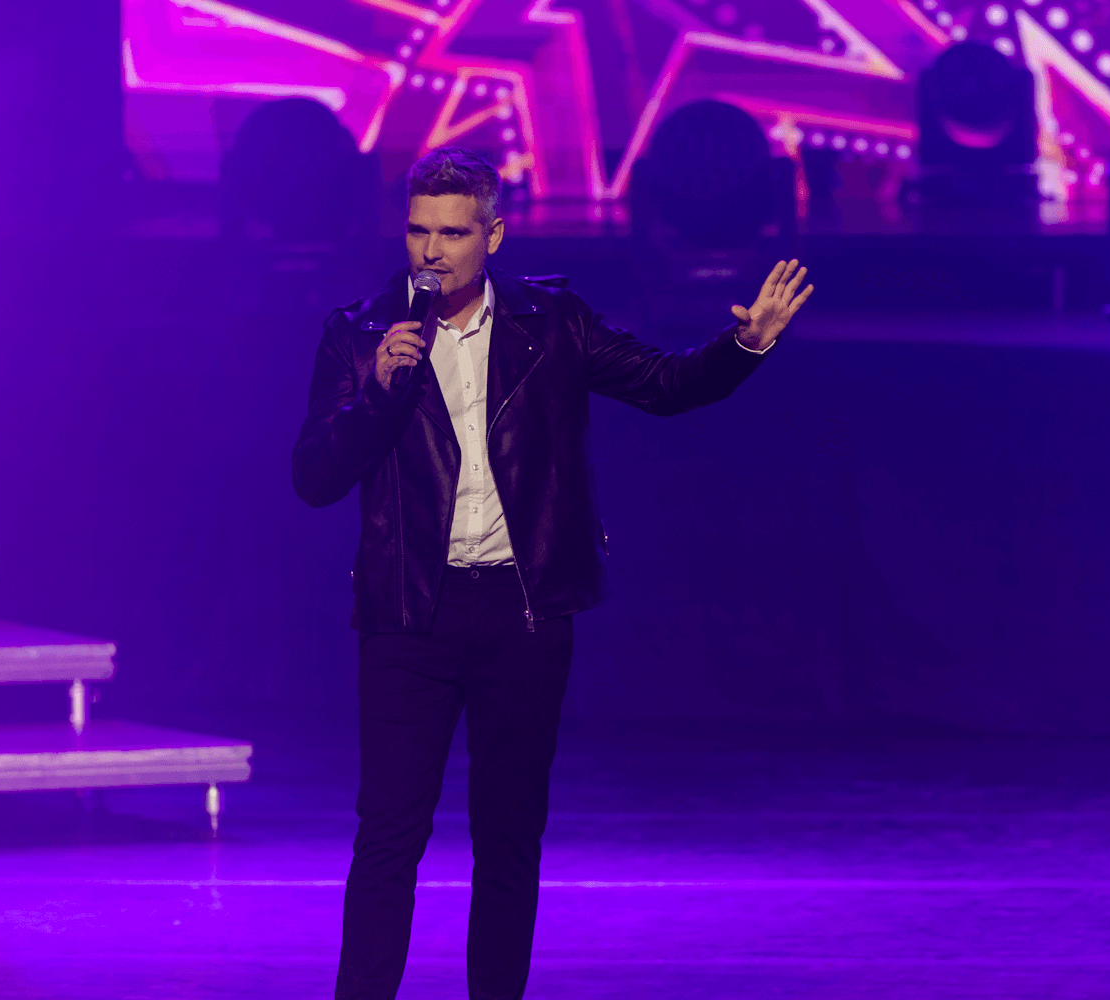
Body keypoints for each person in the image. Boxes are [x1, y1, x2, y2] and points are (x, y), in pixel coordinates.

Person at [293, 145, 813, 1000]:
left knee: (508, 839)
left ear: (492, 235)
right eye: (419, 231)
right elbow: (313, 478)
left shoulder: (553, 322)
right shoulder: (359, 334)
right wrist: (375, 393)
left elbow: (664, 383)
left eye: (453, 234)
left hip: (521, 615)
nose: (432, 252)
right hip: (408, 617)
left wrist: (743, 345)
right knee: (388, 837)